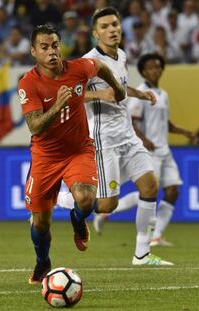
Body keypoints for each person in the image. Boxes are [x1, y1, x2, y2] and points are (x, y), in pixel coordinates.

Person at [56, 7, 173, 266]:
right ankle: (60, 196)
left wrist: (139, 94)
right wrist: (98, 95)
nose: (112, 30)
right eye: (106, 27)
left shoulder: (121, 56)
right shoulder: (86, 62)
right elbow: (68, 95)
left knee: (150, 186)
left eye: (115, 25)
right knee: (107, 206)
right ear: (96, 33)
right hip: (103, 139)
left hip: (128, 136)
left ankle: (142, 253)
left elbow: (119, 86)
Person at [18, 23, 125, 284]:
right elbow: (34, 126)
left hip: (79, 151)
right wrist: (57, 105)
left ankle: (78, 220)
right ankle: (43, 263)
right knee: (41, 223)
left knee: (86, 200)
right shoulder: (29, 83)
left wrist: (118, 90)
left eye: (55, 45)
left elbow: (99, 67)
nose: (52, 51)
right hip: (45, 157)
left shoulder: (78, 68)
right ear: (34, 51)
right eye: (44, 47)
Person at [93, 53, 198, 247]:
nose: (155, 70)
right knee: (150, 190)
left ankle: (156, 236)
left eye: (158, 67)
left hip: (164, 150)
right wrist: (144, 139)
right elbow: (130, 119)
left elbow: (164, 122)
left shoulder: (162, 94)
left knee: (173, 191)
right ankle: (107, 211)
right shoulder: (139, 92)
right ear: (142, 71)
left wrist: (185, 132)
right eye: (150, 67)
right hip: (148, 149)